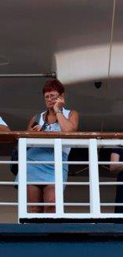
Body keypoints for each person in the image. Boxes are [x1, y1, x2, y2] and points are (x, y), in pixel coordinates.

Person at [24, 79, 80, 213]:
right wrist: (33, 133)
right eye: (46, 97)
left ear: (62, 96)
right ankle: (35, 234)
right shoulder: (37, 117)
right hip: (34, 162)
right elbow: (25, 140)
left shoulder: (71, 114)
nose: (49, 99)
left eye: (53, 96)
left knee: (52, 203)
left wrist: (57, 110)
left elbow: (69, 132)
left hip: (57, 162)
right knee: (34, 207)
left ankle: (49, 234)